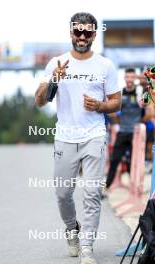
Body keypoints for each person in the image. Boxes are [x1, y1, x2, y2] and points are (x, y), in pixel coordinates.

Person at [35, 12, 121, 264]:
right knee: (63, 194)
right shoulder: (57, 63)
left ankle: (87, 248)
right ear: (71, 32)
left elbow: (116, 101)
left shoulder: (105, 65)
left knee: (93, 192)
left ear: (94, 34)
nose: (82, 37)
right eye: (77, 31)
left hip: (94, 135)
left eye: (87, 32)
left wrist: (101, 106)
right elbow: (39, 102)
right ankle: (72, 228)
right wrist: (54, 79)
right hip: (65, 136)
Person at [106, 68, 145, 189]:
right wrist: (119, 122)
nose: (129, 80)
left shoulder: (141, 93)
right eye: (127, 77)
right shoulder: (120, 93)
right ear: (124, 78)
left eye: (132, 77)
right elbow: (110, 111)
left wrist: (139, 122)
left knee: (135, 161)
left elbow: (149, 111)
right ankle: (107, 186)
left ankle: (136, 187)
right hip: (122, 131)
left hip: (136, 134)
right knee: (115, 160)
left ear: (135, 78)